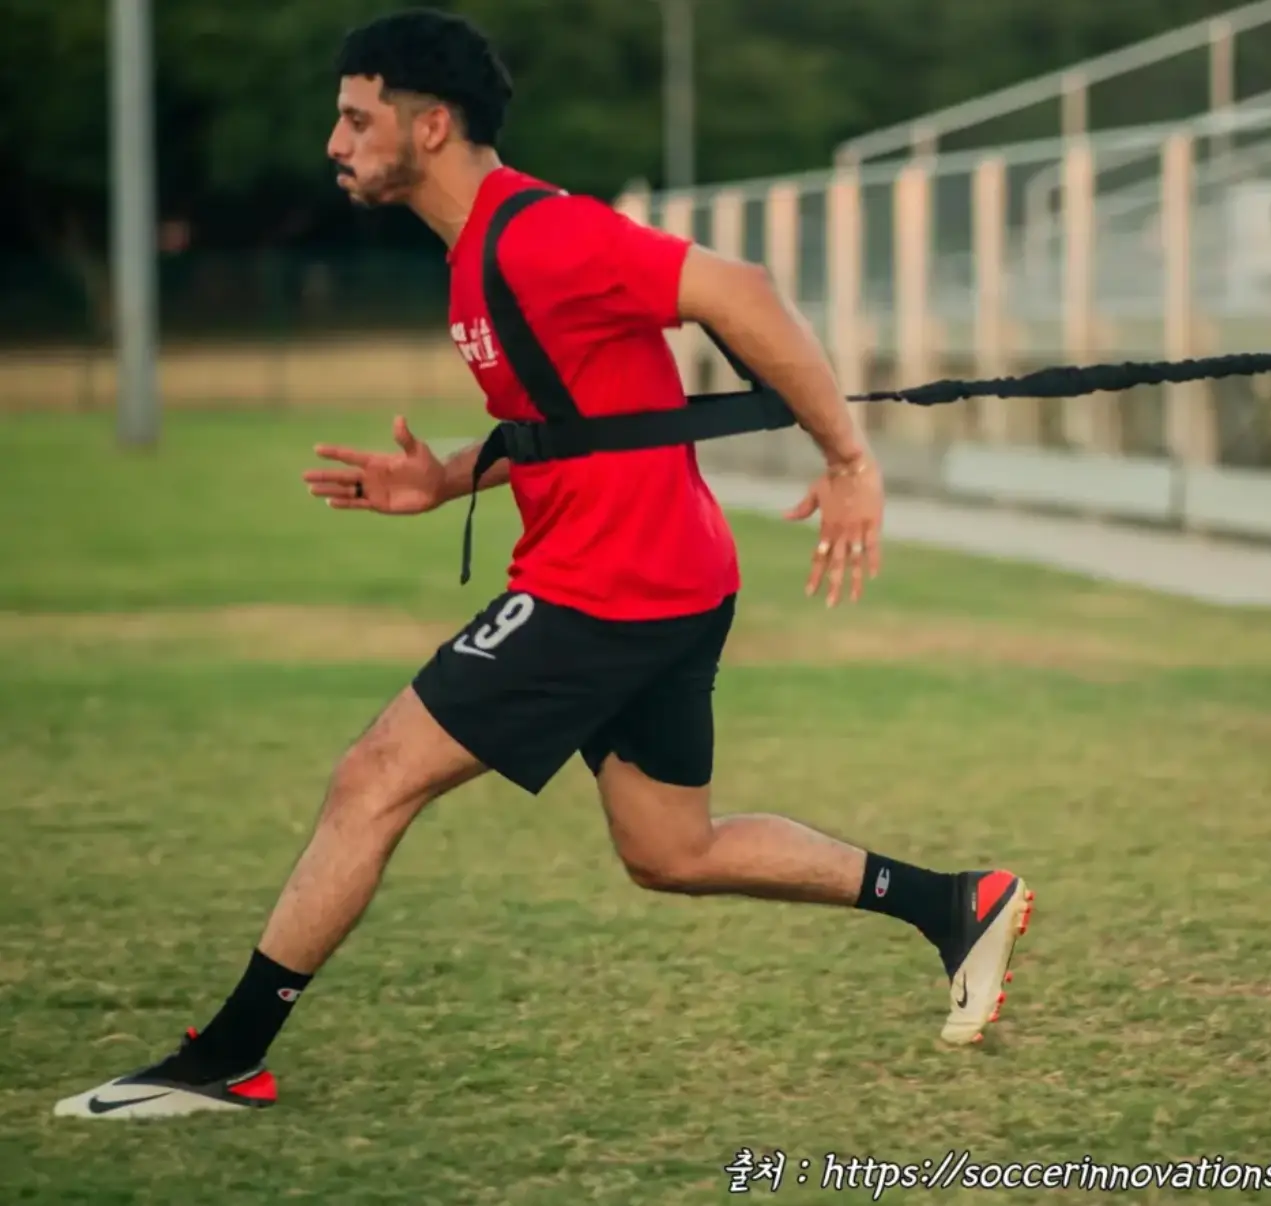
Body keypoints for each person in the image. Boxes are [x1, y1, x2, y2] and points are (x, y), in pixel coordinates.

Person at [54, 8, 1032, 1120]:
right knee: (670, 849)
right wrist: (445, 480)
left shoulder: (537, 235)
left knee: (373, 777)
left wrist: (848, 457)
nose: (335, 142)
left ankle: (226, 1057)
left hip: (606, 588)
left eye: (355, 117)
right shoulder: (477, 257)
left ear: (428, 128)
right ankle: (954, 904)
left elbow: (739, 288)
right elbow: (568, 425)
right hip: (664, 579)